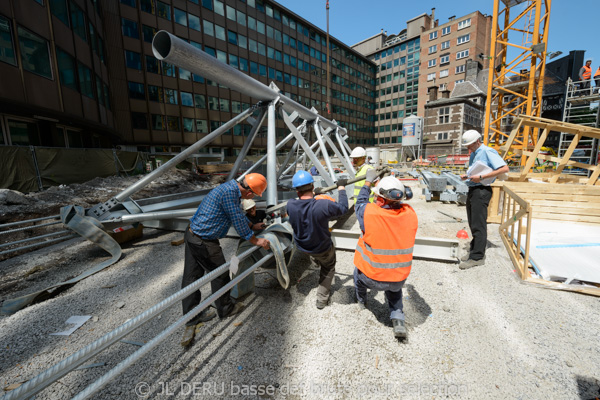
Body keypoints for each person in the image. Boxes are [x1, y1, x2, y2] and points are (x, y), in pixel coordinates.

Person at [180, 173, 271, 346]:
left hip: (192, 233)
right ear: (250, 193)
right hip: (204, 241)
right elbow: (237, 220)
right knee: (221, 275)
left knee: (191, 276)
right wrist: (256, 240)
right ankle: (225, 309)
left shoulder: (230, 188)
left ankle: (191, 315)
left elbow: (235, 212)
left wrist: (252, 225)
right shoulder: (230, 194)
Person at [353, 171, 417, 339]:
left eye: (376, 197)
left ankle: (361, 301)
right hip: (398, 278)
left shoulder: (369, 213)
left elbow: (359, 202)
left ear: (381, 199)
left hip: (371, 278)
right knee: (394, 290)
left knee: (357, 273)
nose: (374, 199)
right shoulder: (410, 215)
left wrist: (368, 182)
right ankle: (398, 319)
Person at [286, 170, 348, 309]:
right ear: (312, 187)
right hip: (322, 248)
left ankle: (315, 261)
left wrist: (315, 196)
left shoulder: (290, 205)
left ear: (296, 190)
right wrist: (341, 188)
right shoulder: (323, 205)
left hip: (303, 247)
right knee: (328, 267)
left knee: (315, 254)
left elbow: (305, 207)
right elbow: (343, 208)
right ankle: (322, 299)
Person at [459, 130, 509, 270]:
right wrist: (467, 176)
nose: (468, 148)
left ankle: (477, 257)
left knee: (479, 224)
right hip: (474, 189)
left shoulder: (487, 151)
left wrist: (481, 178)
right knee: (473, 222)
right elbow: (476, 171)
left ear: (477, 141)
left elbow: (504, 168)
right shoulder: (475, 153)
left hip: (481, 190)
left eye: (470, 145)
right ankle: (475, 249)